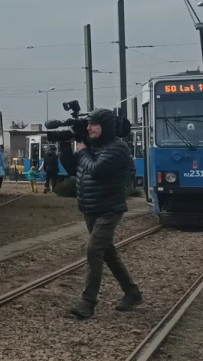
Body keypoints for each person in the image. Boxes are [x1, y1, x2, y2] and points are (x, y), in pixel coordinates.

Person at [59, 108, 143, 319]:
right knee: (107, 253)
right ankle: (132, 292)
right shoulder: (92, 146)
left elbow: (95, 169)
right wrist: (64, 146)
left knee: (93, 251)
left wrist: (83, 151)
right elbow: (72, 169)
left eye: (94, 124)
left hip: (109, 209)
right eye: (88, 124)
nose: (89, 128)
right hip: (90, 208)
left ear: (105, 127)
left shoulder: (117, 148)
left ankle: (88, 303)